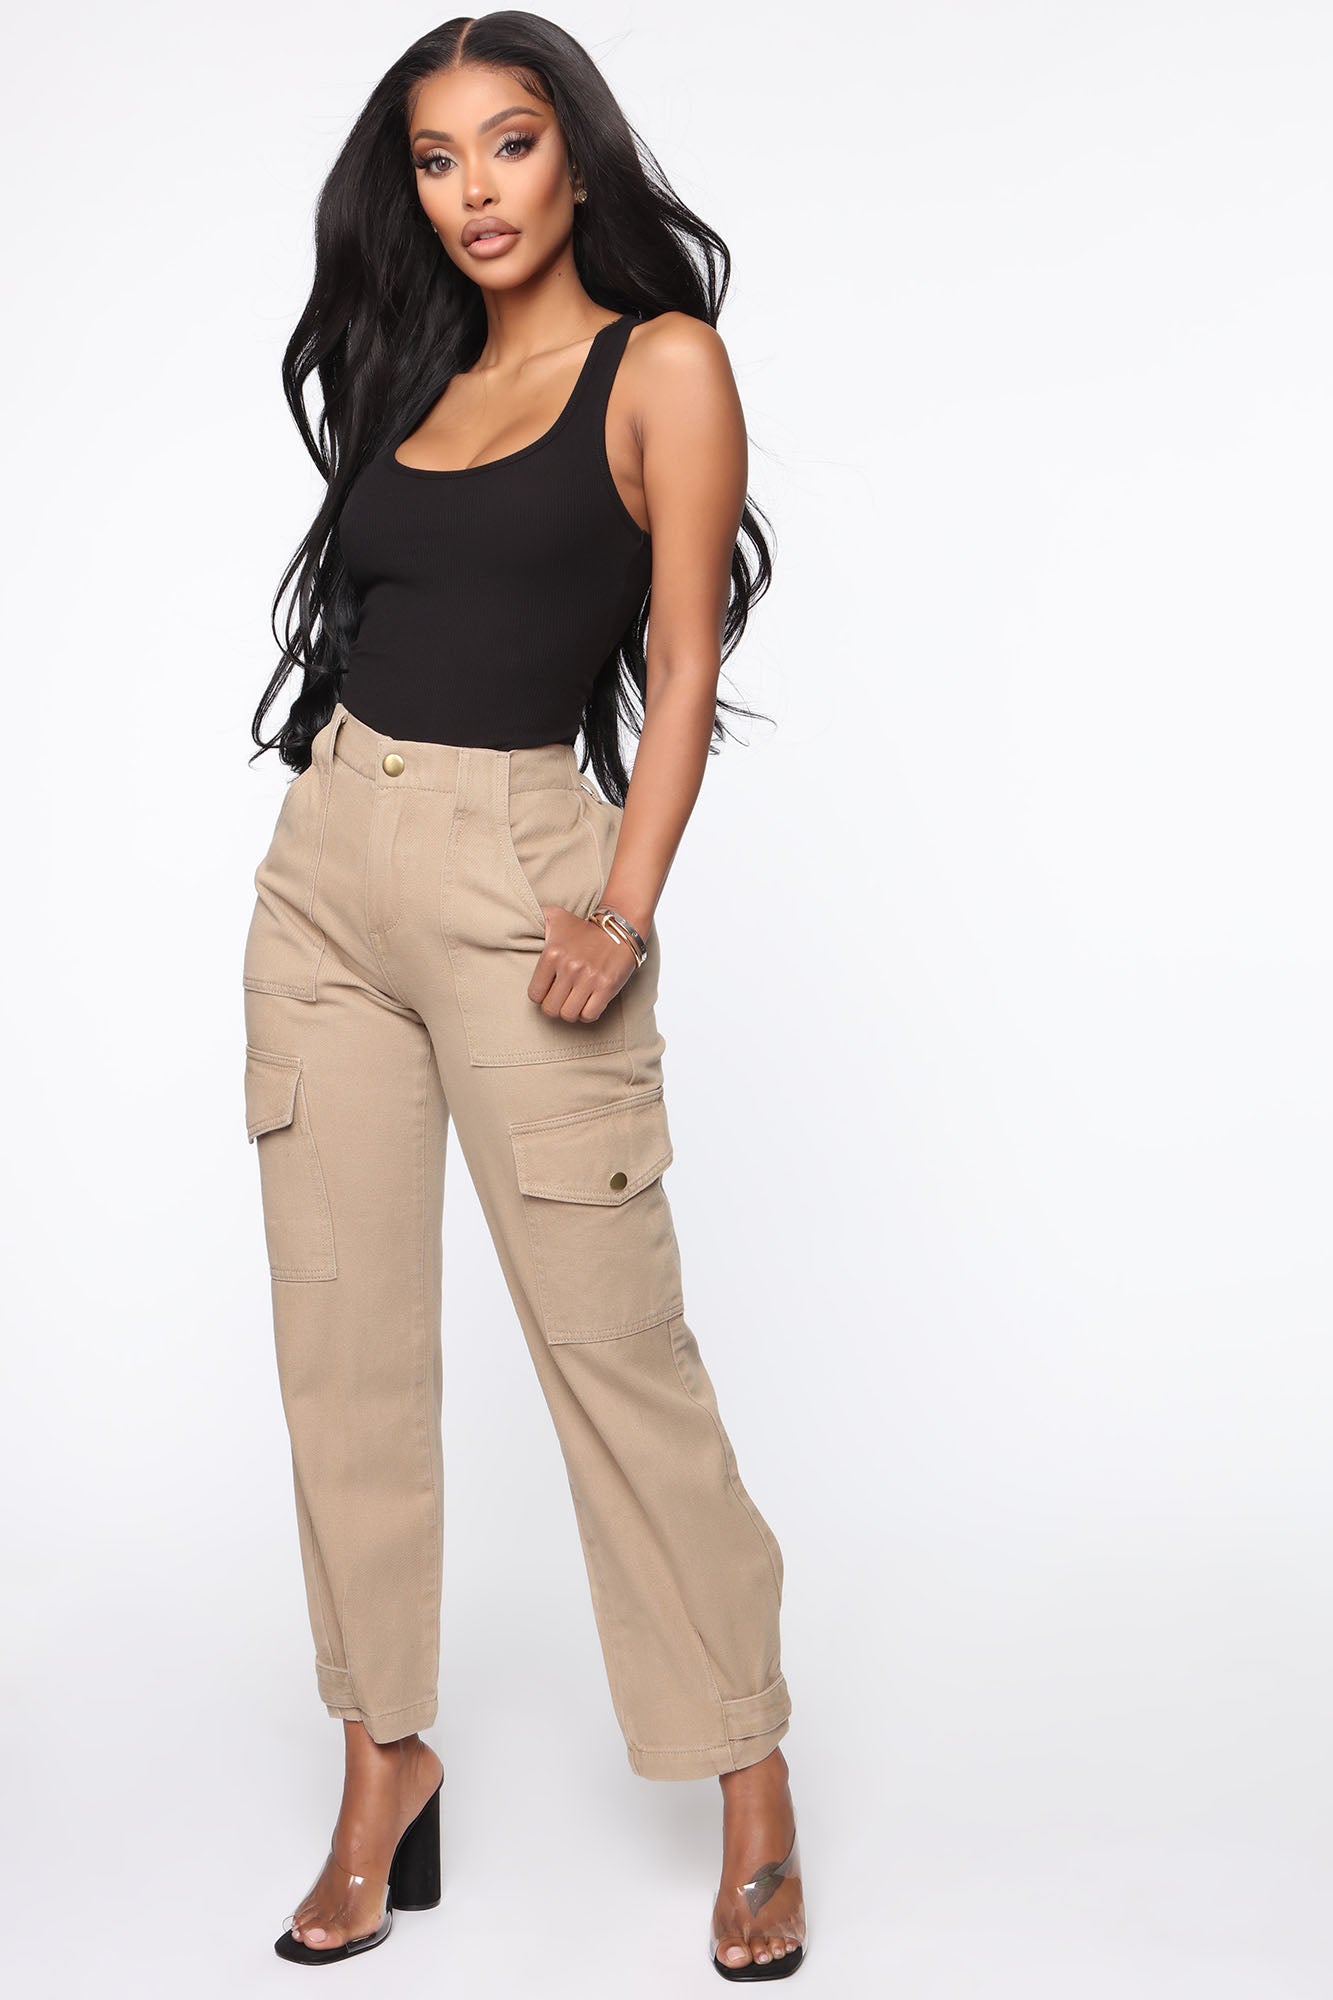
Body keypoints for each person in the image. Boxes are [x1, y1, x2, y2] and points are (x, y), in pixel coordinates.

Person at [242, 11, 807, 1980]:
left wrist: (619, 912)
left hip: (521, 878)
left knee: (612, 1347)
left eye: (507, 143)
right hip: (328, 872)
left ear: (575, 154)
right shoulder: (415, 365)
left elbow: (681, 661)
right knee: (342, 1351)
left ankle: (749, 1775)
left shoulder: (663, 366)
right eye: (435, 157)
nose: (473, 190)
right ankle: (380, 1765)